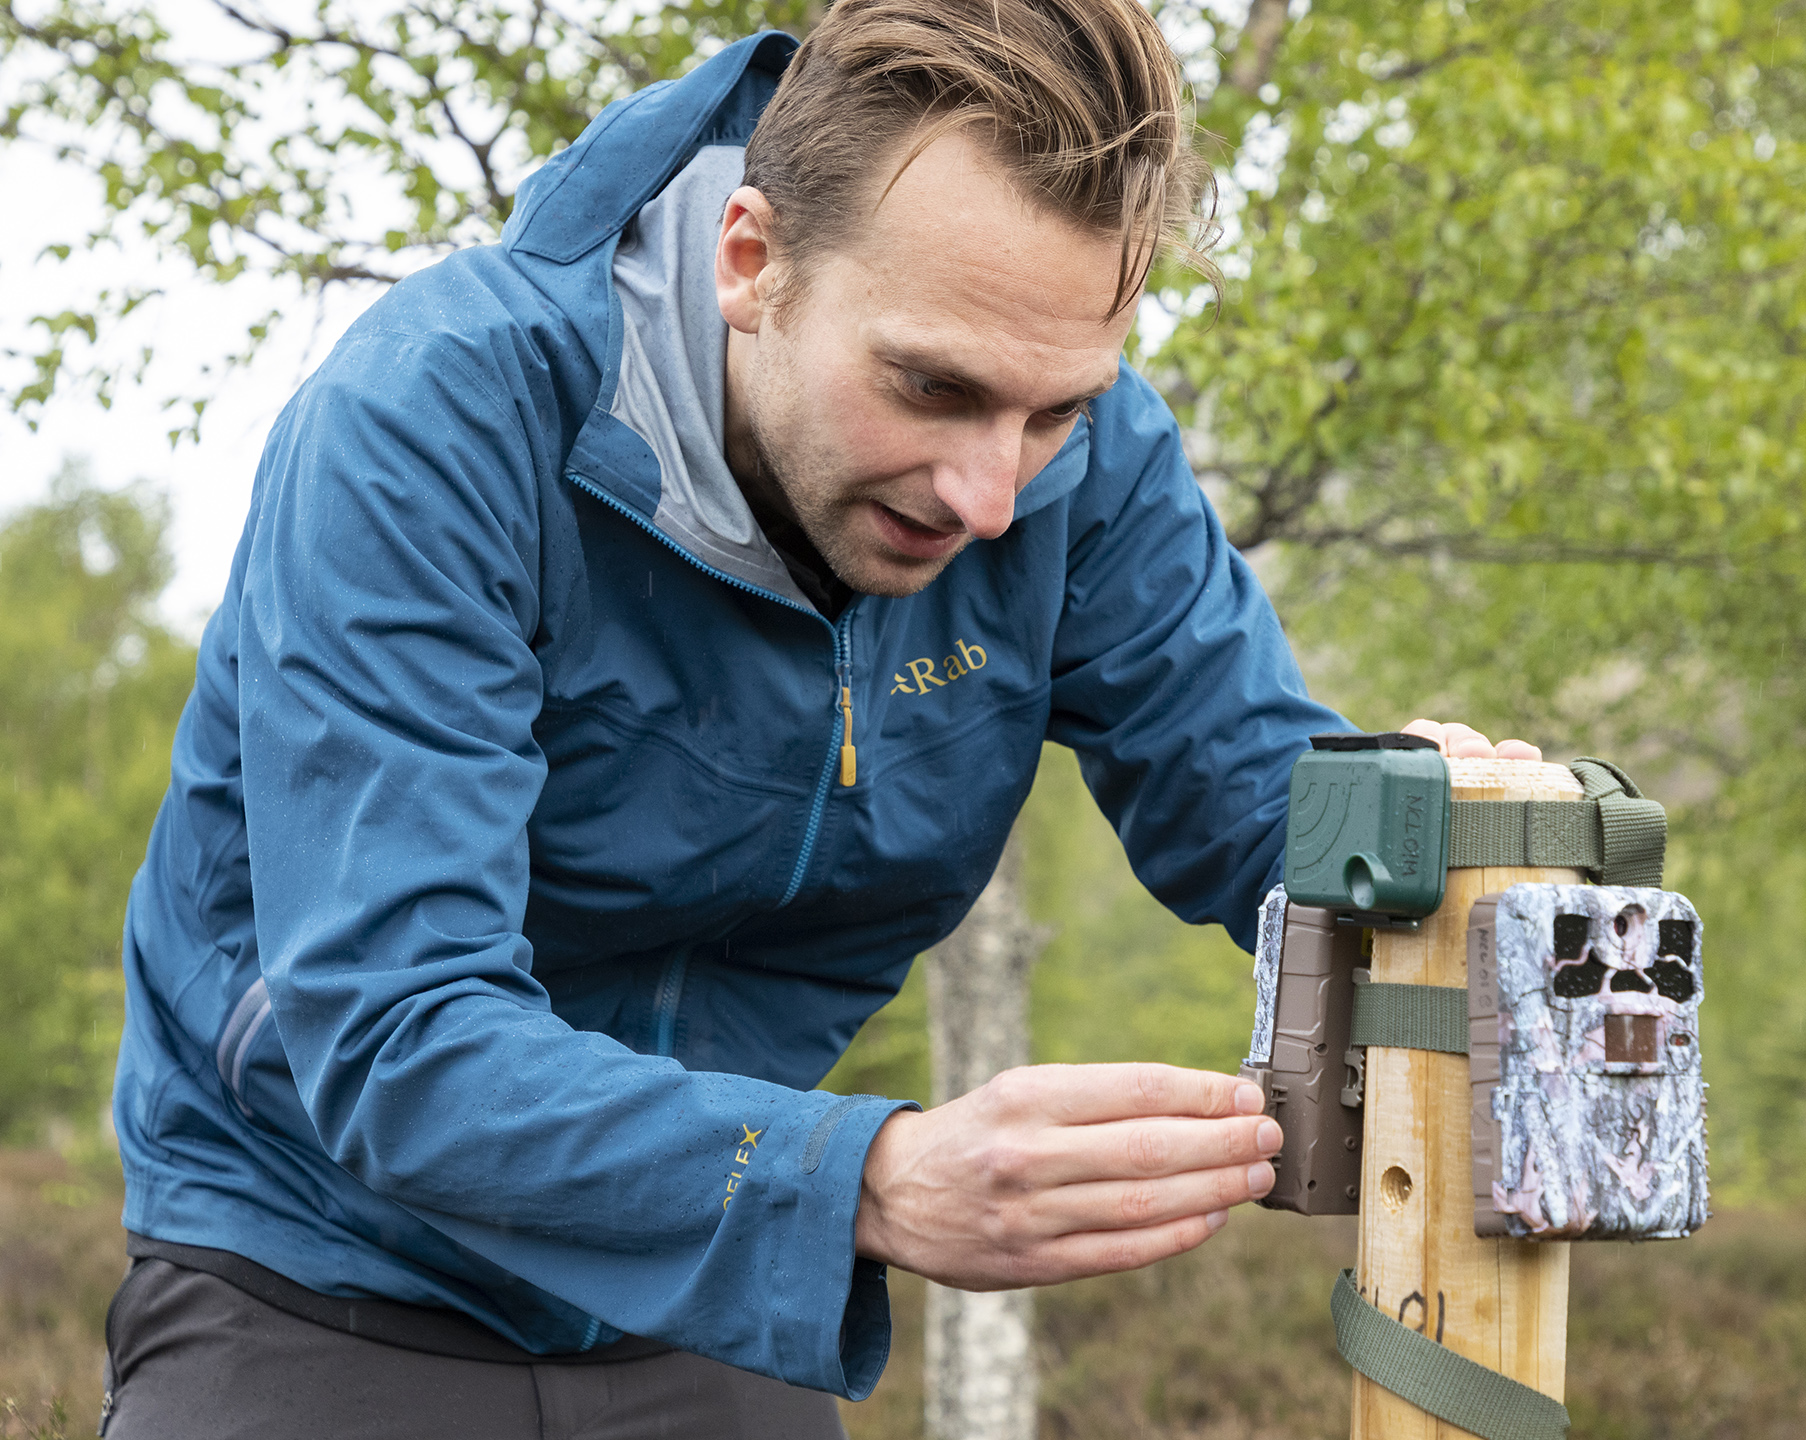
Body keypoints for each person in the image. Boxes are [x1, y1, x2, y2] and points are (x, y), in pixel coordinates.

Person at [100, 2, 1540, 1435]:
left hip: (700, 1288)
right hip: (313, 1257)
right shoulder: (433, 421)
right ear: (752, 261)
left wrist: (1456, 848)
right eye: (933, 387)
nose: (991, 497)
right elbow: (399, 1034)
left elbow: (1258, 807)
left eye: (1054, 411)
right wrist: (871, 1183)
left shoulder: (1084, 465)